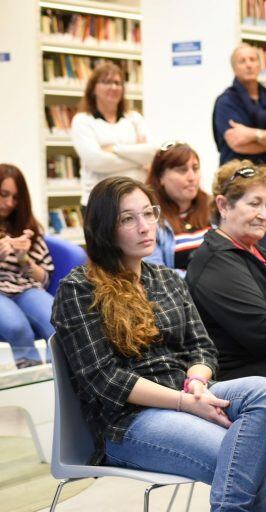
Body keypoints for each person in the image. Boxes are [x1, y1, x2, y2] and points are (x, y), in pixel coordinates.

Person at [51, 176, 266, 511]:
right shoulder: (79, 288)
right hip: (128, 422)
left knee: (264, 391)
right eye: (128, 219)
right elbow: (106, 379)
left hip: (186, 392)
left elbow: (202, 347)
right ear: (104, 227)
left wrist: (198, 384)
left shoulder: (168, 279)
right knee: (246, 459)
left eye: (149, 214)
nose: (145, 227)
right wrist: (185, 402)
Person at [185, 160, 266, 380]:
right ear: (223, 205)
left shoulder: (253, 249)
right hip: (254, 378)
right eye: (254, 204)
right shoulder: (216, 261)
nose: (264, 215)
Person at [70, 62, 155, 206]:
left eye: (118, 83)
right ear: (93, 88)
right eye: (106, 82)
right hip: (99, 203)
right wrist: (137, 158)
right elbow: (97, 161)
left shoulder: (134, 119)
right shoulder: (82, 121)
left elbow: (151, 153)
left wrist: (114, 150)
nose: (113, 87)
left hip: (135, 200)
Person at [0, 164, 54, 368]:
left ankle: (53, 379)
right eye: (3, 194)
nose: (9, 203)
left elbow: (45, 278)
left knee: (58, 320)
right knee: (18, 328)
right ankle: (31, 380)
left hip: (25, 288)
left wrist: (24, 258)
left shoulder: (27, 226)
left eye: (15, 197)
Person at [212, 43, 266, 169]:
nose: (248, 65)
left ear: (260, 65)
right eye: (242, 61)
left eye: (252, 60)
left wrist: (252, 134)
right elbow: (236, 143)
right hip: (235, 175)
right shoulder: (226, 101)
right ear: (234, 68)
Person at [144, 141, 211, 274]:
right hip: (180, 292)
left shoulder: (215, 208)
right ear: (160, 177)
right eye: (182, 170)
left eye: (195, 168)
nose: (192, 177)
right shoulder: (149, 220)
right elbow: (157, 275)